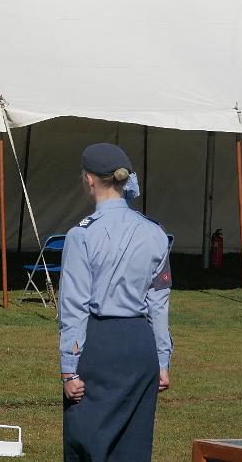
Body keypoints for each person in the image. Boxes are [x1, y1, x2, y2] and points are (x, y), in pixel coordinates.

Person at [60, 143, 172, 462]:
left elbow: (74, 307)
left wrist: (69, 370)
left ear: (90, 180)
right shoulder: (155, 233)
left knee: (87, 442)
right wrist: (163, 361)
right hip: (140, 345)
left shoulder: (81, 235)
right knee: (133, 447)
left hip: (100, 344)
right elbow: (159, 303)